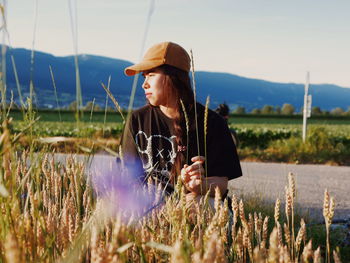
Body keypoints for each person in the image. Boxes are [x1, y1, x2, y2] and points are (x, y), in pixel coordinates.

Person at [120, 41, 242, 205]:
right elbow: (127, 176)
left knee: (197, 204)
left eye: (151, 75)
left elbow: (221, 184)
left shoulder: (211, 122)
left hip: (192, 202)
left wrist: (198, 185)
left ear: (173, 77)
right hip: (150, 205)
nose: (144, 84)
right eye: (144, 77)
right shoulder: (137, 120)